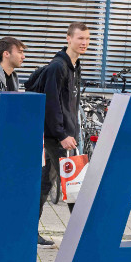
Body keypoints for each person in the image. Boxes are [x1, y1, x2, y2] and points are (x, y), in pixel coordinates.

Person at [36, 22, 89, 246]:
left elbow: (69, 104)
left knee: (44, 185)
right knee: (74, 186)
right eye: (80, 38)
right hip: (58, 137)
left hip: (63, 135)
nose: (84, 43)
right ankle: (83, 237)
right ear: (68, 38)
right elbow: (52, 104)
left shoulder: (74, 66)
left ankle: (27, 231)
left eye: (87, 39)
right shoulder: (58, 66)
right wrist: (61, 134)